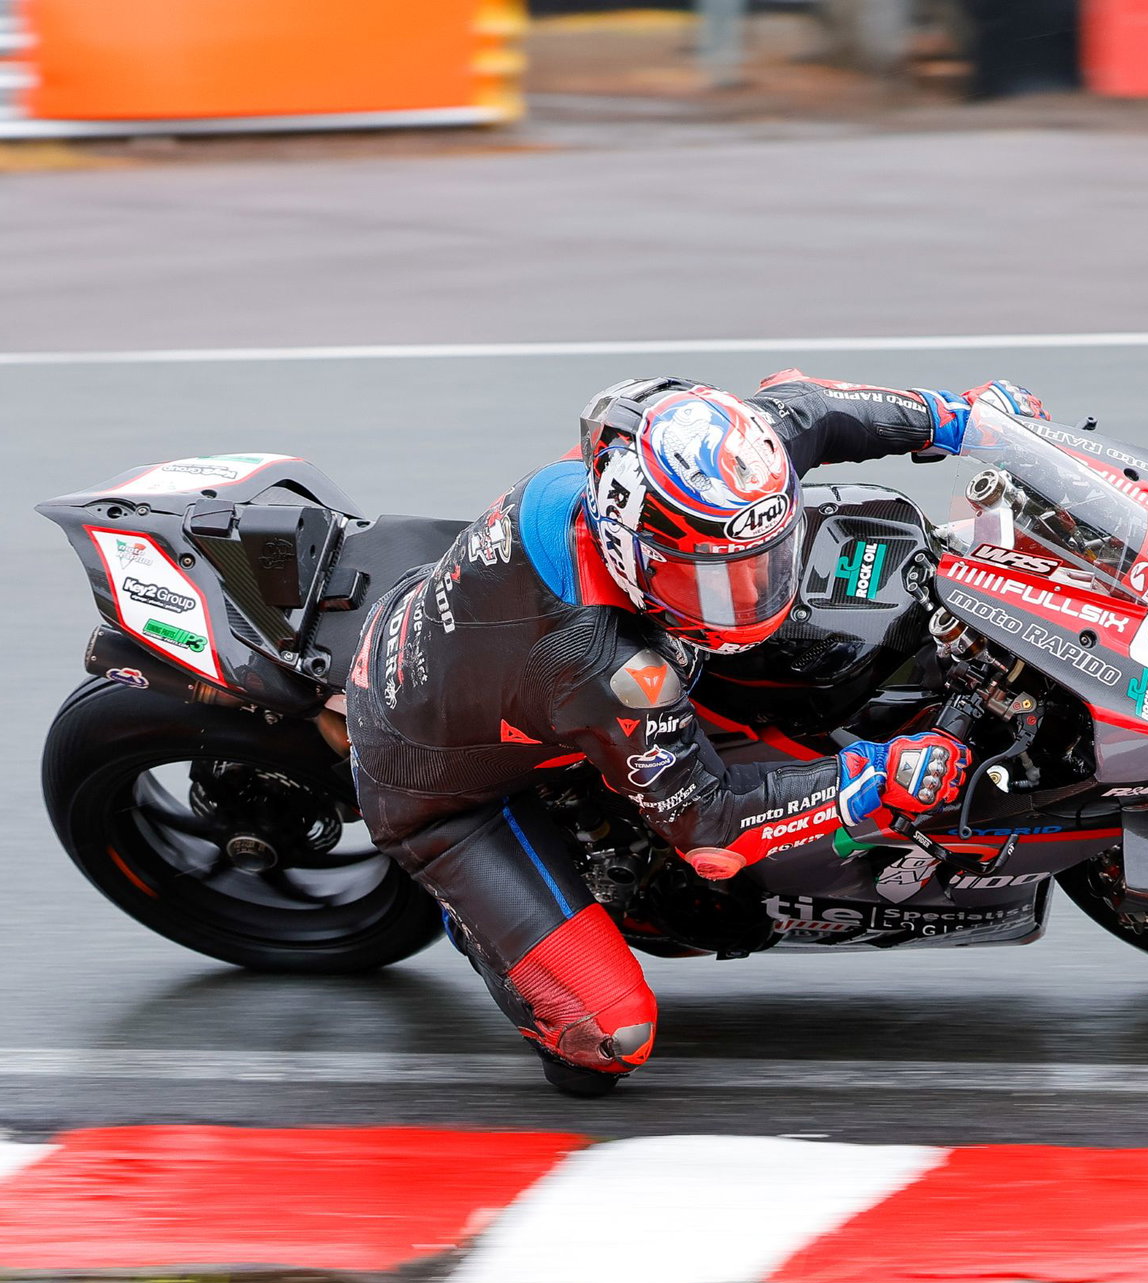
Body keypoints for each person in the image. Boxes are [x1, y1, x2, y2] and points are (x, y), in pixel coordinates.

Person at [344, 372, 1047, 1095]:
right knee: (609, 1038)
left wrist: (966, 422)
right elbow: (711, 828)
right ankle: (480, 925)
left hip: (485, 656)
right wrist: (870, 777)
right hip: (441, 789)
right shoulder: (602, 661)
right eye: (713, 582)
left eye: (764, 562)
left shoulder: (703, 472)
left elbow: (815, 409)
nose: (754, 592)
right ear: (633, 552)